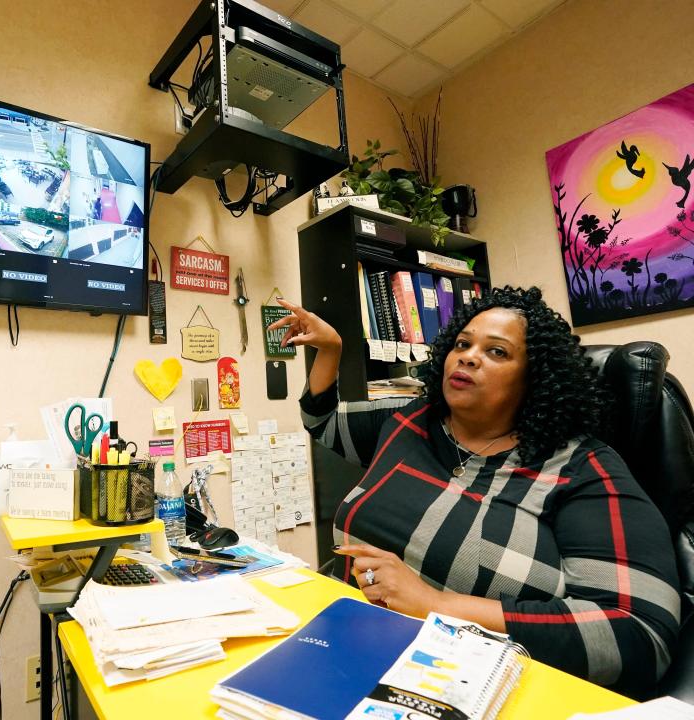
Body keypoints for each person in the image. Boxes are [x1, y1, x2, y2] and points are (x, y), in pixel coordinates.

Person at [269, 286, 680, 698]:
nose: (468, 355)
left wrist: (437, 605)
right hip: (347, 649)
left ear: (534, 378)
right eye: (462, 343)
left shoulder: (582, 470)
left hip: (473, 685)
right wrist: (331, 350)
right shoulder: (411, 419)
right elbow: (323, 421)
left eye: (497, 352)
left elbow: (640, 635)